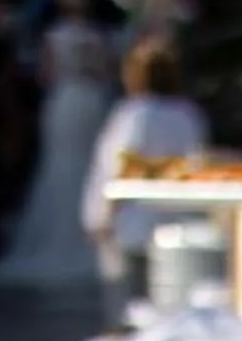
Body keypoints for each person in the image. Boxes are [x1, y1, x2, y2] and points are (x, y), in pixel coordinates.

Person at [0, 0, 116, 286]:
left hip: (65, 100)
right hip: (90, 100)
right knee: (87, 166)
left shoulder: (53, 36)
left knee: (60, 164)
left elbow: (45, 75)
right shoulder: (97, 35)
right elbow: (104, 73)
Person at [84, 36, 212, 300]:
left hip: (135, 220)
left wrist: (104, 213)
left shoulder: (136, 114)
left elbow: (125, 164)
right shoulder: (188, 113)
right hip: (178, 219)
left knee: (128, 300)